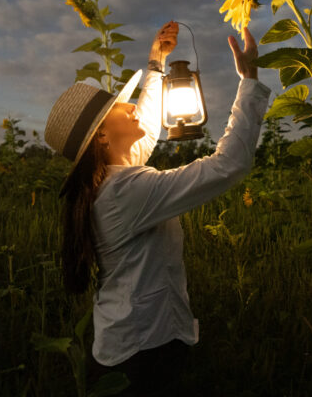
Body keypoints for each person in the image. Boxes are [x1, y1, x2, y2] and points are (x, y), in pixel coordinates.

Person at [44, 20, 271, 396]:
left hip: (127, 342)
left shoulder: (111, 180)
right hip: (142, 353)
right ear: (102, 134)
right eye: (120, 106)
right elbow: (227, 165)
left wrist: (155, 64)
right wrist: (248, 80)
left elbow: (147, 127)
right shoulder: (125, 191)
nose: (130, 106)